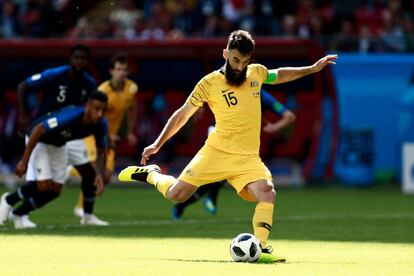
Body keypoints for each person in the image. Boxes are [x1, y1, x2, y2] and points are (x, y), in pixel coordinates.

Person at [118, 30, 337, 263]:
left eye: (244, 62)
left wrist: (312, 69)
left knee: (267, 192)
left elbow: (279, 74)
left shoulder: (256, 73)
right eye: (235, 60)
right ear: (225, 54)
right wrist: (157, 143)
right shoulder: (209, 83)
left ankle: (260, 248)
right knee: (177, 194)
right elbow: (182, 115)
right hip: (216, 152)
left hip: (247, 158)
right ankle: (151, 175)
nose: (239, 67)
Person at [16, 45, 110, 225]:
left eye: (83, 58)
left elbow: (95, 110)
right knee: (42, 184)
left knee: (89, 173)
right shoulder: (56, 75)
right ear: (70, 58)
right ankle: (19, 212)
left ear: (87, 61)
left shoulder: (89, 84)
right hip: (46, 131)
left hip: (71, 135)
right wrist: (23, 114)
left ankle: (87, 215)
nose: (79, 61)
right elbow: (23, 86)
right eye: (76, 57)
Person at [171, 88, 296, 220]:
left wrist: (198, 107)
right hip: (220, 136)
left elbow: (290, 116)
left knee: (223, 174)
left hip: (240, 142)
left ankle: (191, 202)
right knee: (221, 172)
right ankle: (209, 197)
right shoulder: (260, 95)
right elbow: (289, 116)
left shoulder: (258, 95)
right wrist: (275, 127)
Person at [0, 91, 109, 229]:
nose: (100, 114)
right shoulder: (72, 116)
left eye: (103, 110)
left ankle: (18, 213)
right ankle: (9, 199)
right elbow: (39, 129)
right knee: (44, 186)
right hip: (39, 140)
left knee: (55, 190)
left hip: (59, 145)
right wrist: (24, 161)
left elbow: (101, 151)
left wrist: (98, 174)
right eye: (96, 109)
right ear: (88, 106)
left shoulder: (101, 123)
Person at [73, 53, 138, 217]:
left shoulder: (130, 89)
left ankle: (73, 171)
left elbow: (131, 109)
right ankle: (81, 207)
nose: (121, 73)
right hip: (93, 135)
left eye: (124, 69)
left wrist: (129, 131)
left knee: (106, 176)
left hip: (109, 138)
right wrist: (108, 133)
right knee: (95, 169)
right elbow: (91, 116)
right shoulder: (103, 91)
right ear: (111, 71)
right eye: (118, 69)